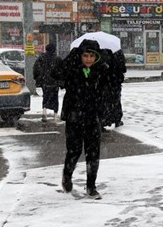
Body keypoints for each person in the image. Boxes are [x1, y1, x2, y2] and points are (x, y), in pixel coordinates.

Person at [54, 39, 110, 198]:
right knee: (74, 151)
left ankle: (91, 186)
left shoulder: (101, 70)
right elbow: (55, 73)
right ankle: (67, 176)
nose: (88, 59)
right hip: (74, 117)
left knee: (93, 153)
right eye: (85, 55)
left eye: (92, 56)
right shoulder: (72, 69)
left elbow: (107, 92)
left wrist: (104, 112)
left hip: (93, 117)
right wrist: (71, 58)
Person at [32, 42, 61, 123]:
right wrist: (61, 81)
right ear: (54, 50)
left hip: (44, 81)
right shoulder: (57, 59)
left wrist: (38, 78)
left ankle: (44, 111)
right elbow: (62, 70)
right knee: (55, 98)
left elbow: (36, 68)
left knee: (45, 96)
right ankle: (55, 115)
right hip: (54, 82)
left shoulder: (41, 58)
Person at [101, 47, 127, 128]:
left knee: (104, 100)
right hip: (115, 81)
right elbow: (123, 68)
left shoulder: (101, 52)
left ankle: (104, 120)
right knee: (116, 100)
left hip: (104, 82)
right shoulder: (118, 51)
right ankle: (117, 119)